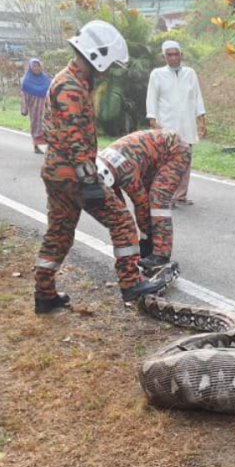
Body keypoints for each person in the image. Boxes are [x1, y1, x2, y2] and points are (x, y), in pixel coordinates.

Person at [35, 20, 169, 315]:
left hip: (58, 174)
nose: (107, 70)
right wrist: (89, 180)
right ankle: (131, 282)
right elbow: (74, 138)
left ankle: (44, 294)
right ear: (96, 55)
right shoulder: (70, 86)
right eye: (107, 63)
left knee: (59, 232)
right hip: (73, 174)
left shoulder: (71, 80)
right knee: (121, 221)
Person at [96, 129, 192, 270]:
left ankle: (161, 255)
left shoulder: (124, 171)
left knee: (157, 199)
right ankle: (152, 242)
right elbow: (118, 206)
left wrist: (145, 236)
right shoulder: (103, 168)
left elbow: (141, 204)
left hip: (175, 152)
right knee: (148, 196)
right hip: (150, 158)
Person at [145, 40, 206, 206]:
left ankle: (180, 196)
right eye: (169, 55)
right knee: (166, 162)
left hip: (187, 124)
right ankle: (165, 195)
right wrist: (153, 119)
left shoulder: (190, 73)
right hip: (166, 125)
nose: (173, 58)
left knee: (185, 161)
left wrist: (201, 119)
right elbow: (152, 98)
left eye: (176, 54)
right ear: (164, 57)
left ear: (181, 55)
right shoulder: (157, 74)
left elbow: (197, 96)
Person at [20, 58, 50, 154]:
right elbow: (24, 96)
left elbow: (52, 91)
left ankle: (50, 147)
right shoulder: (26, 81)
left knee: (48, 126)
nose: (36, 68)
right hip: (34, 109)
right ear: (30, 67)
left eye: (38, 66)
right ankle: (36, 146)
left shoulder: (46, 79)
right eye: (34, 66)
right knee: (36, 126)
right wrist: (24, 109)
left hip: (47, 108)